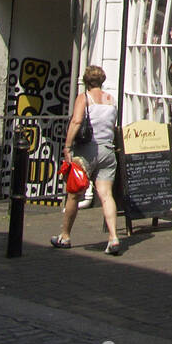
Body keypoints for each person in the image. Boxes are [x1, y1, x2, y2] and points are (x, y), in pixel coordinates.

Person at [51, 65, 123, 256]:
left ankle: (65, 236)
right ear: (102, 80)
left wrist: (67, 146)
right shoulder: (111, 100)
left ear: (86, 80)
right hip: (107, 150)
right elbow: (112, 125)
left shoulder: (84, 98)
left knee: (74, 194)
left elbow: (76, 121)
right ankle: (114, 238)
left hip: (87, 151)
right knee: (106, 195)